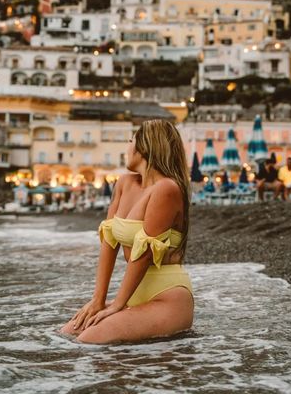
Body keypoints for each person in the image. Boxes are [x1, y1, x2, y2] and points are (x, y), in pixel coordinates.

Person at [58, 119, 194, 344]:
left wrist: (118, 305)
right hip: (133, 294)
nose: (127, 147)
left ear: (146, 146)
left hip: (167, 297)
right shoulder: (124, 183)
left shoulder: (167, 188)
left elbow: (145, 253)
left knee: (90, 339)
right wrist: (98, 300)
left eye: (130, 141)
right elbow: (109, 241)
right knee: (67, 333)